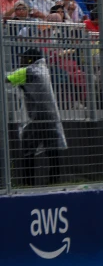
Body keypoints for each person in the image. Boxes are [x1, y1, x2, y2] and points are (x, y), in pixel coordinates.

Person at [6, 46, 67, 186]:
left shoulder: (27, 71)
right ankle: (54, 181)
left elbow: (6, 79)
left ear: (29, 60)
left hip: (37, 117)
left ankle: (28, 183)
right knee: (53, 150)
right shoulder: (43, 70)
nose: (20, 61)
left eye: (23, 58)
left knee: (28, 150)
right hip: (51, 116)